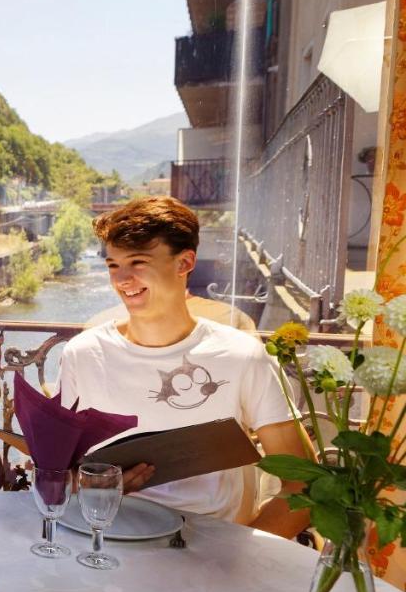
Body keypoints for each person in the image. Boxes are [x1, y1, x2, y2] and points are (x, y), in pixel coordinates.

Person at [57, 196, 312, 537]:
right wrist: (88, 481)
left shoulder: (242, 356)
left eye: (138, 261)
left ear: (184, 263)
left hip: (213, 546)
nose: (123, 279)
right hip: (105, 540)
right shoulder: (83, 354)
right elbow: (57, 472)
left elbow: (304, 485)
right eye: (113, 265)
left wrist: (244, 560)